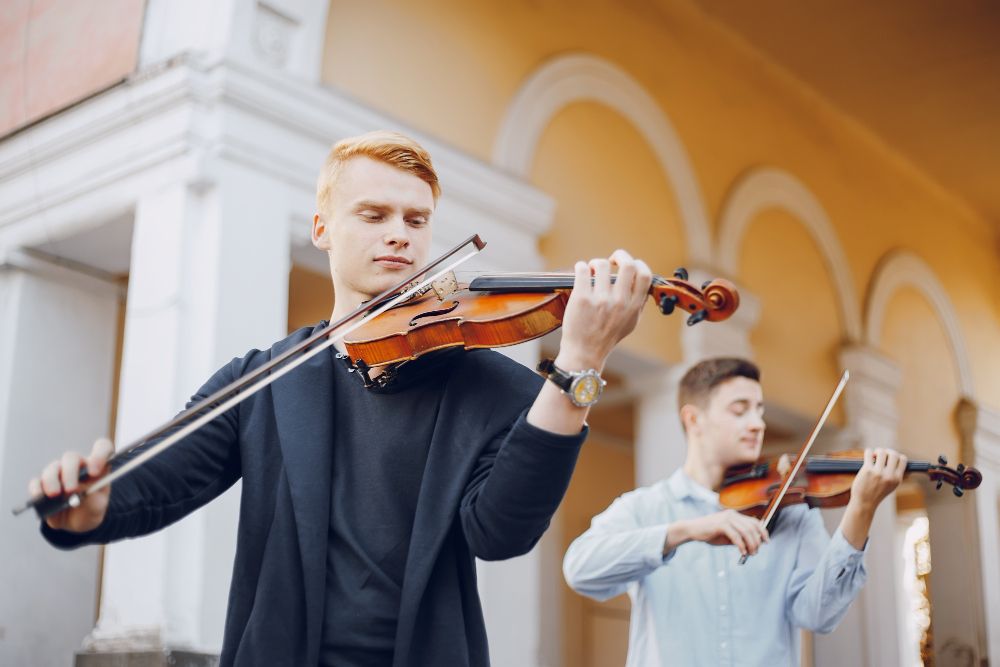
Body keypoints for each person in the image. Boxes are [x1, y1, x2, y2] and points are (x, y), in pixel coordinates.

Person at [31, 130, 653, 666]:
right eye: (374, 215)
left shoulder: (492, 385)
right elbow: (163, 481)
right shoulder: (265, 379)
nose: (400, 237)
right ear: (323, 229)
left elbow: (501, 534)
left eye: (416, 221)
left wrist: (580, 363)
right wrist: (92, 507)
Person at [563, 357, 906, 667]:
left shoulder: (790, 510)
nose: (758, 423)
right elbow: (580, 570)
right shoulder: (646, 507)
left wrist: (862, 508)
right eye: (740, 410)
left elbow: (818, 615)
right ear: (694, 419)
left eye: (759, 410)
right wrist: (684, 532)